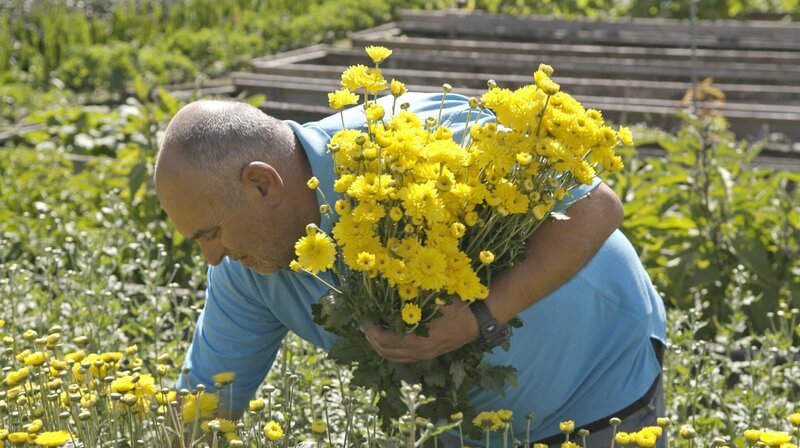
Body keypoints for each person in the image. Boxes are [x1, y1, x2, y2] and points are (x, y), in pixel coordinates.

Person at [154, 92, 666, 447]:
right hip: (462, 430)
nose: (211, 257)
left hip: (597, 383)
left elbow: (596, 205)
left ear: (262, 185)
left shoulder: (403, 140)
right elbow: (206, 404)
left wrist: (481, 315)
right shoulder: (248, 272)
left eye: (211, 234)